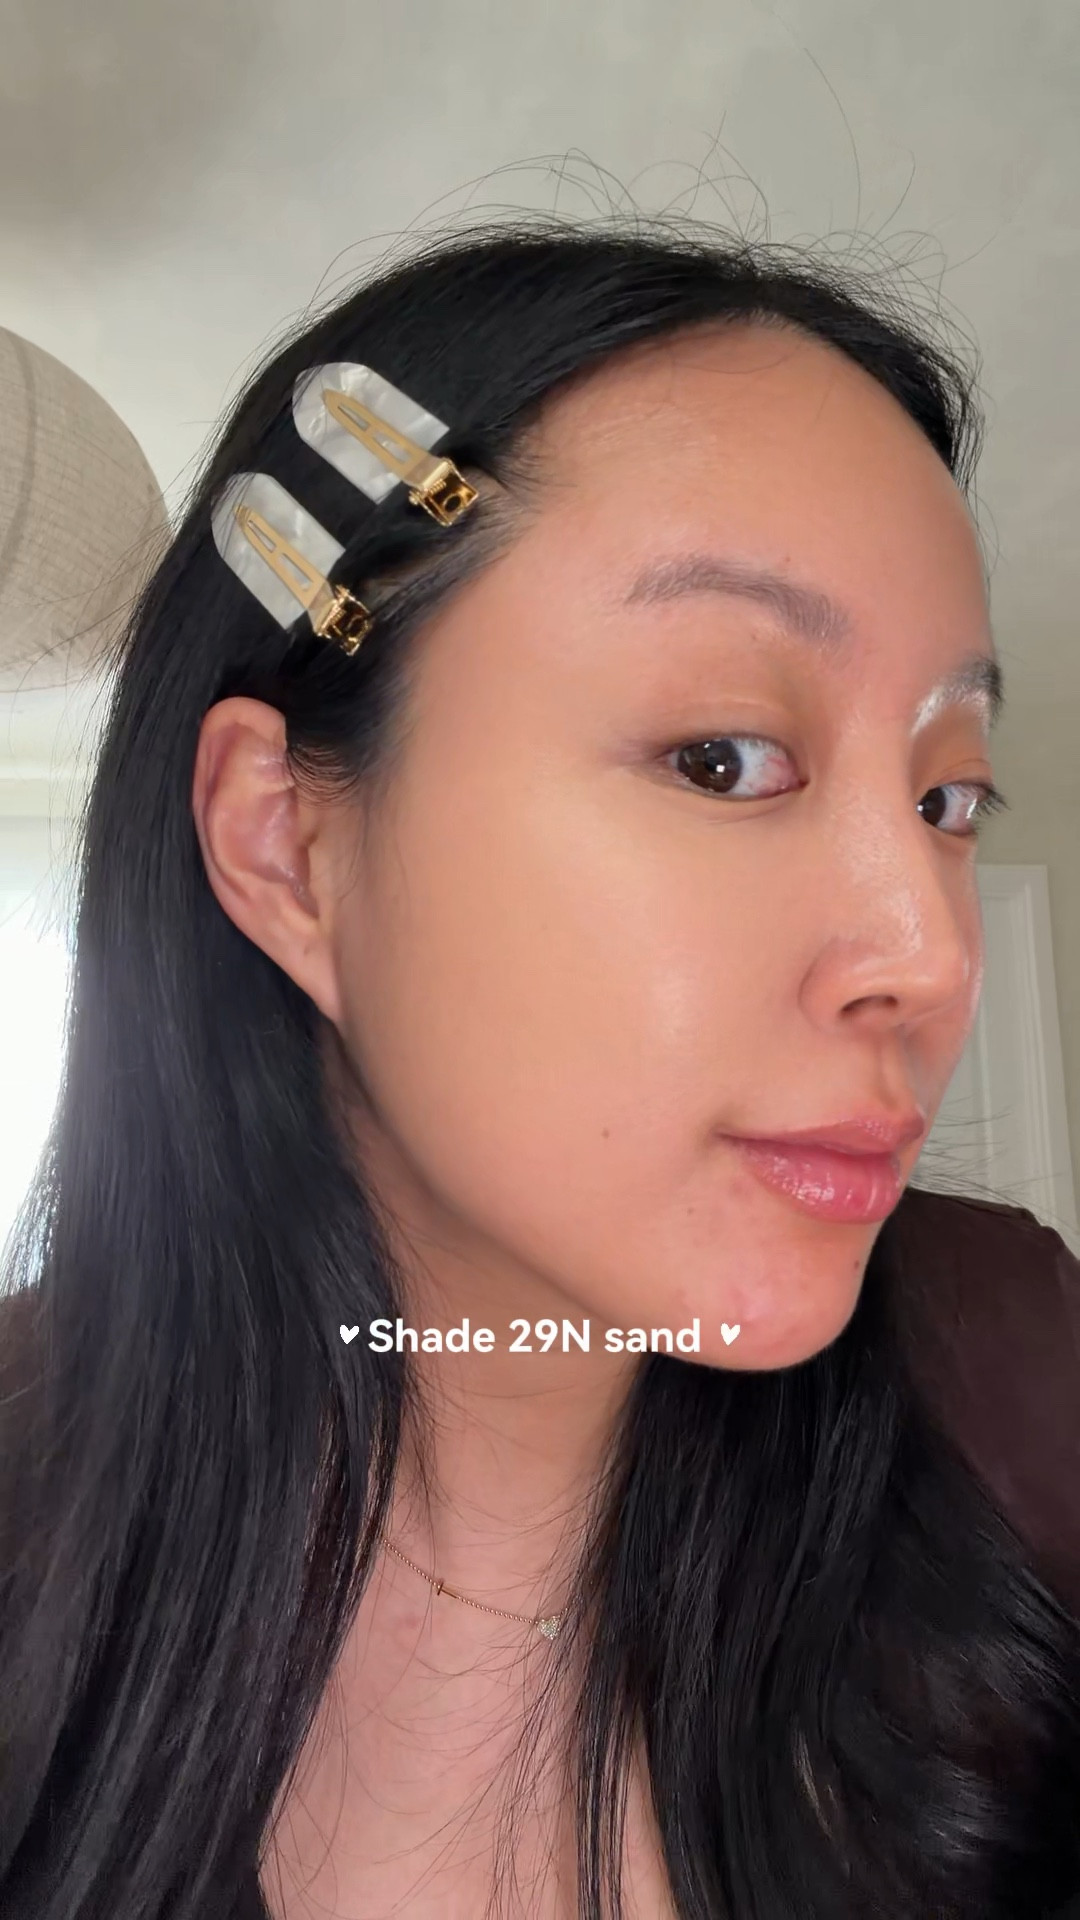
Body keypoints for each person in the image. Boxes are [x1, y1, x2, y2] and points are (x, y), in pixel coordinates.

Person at [1, 216, 1078, 1920]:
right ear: (288, 850)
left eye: (949, 797)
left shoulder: (1013, 1377)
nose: (932, 955)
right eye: (722, 757)